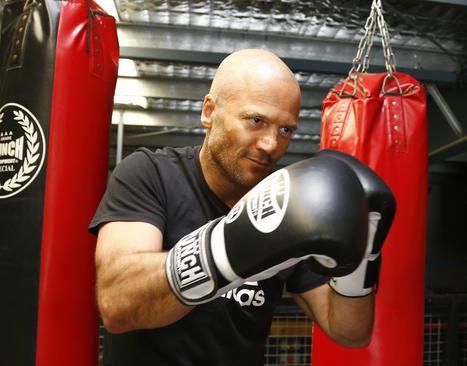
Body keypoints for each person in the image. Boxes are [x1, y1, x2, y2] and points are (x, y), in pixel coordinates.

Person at [90, 49, 393, 365]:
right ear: (209, 111)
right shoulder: (150, 174)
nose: (270, 145)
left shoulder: (289, 199)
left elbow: (351, 332)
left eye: (285, 129)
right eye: (256, 121)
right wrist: (230, 249)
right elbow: (116, 303)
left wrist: (363, 257)